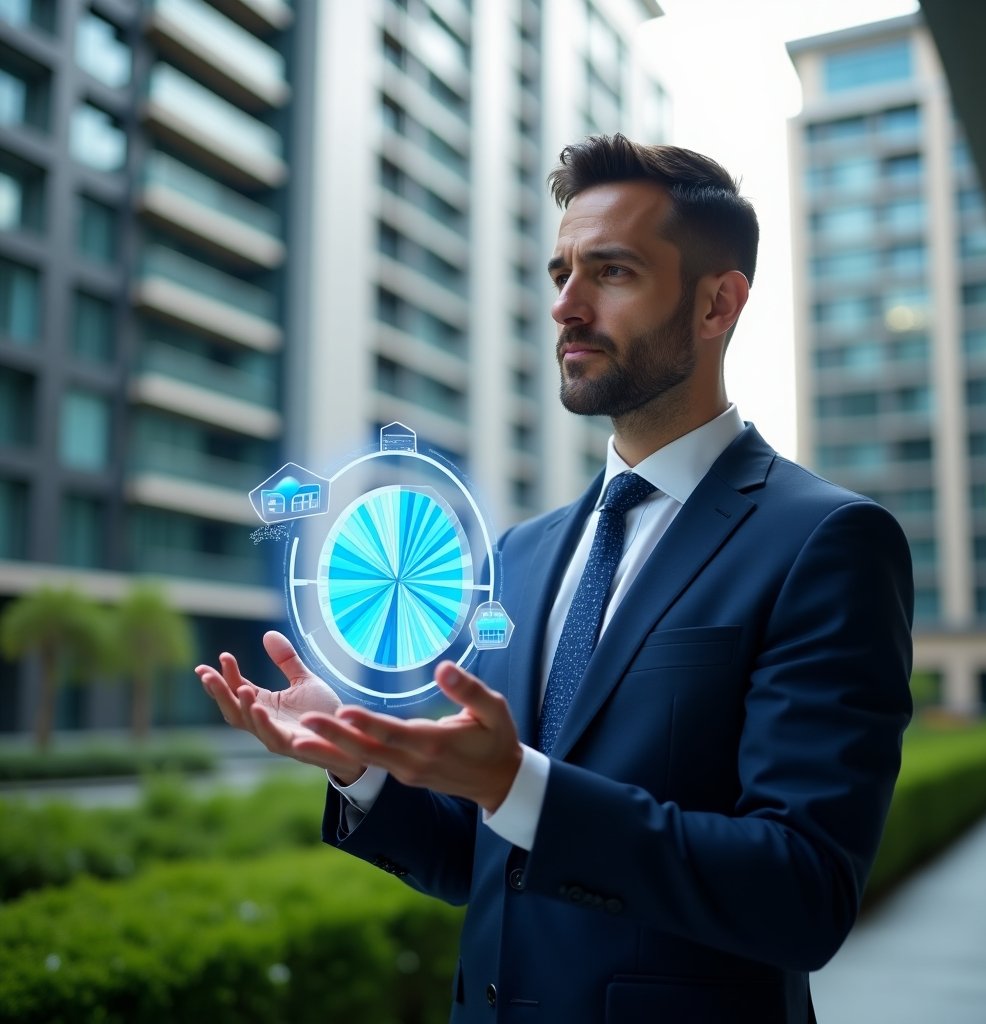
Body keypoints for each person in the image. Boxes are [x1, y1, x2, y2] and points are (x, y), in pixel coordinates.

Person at [197, 134, 913, 1023]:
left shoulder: (827, 541)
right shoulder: (524, 555)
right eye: (560, 272)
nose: (566, 307)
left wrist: (519, 785)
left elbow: (802, 893)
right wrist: (362, 771)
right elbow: (486, 859)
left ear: (718, 304)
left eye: (610, 273)